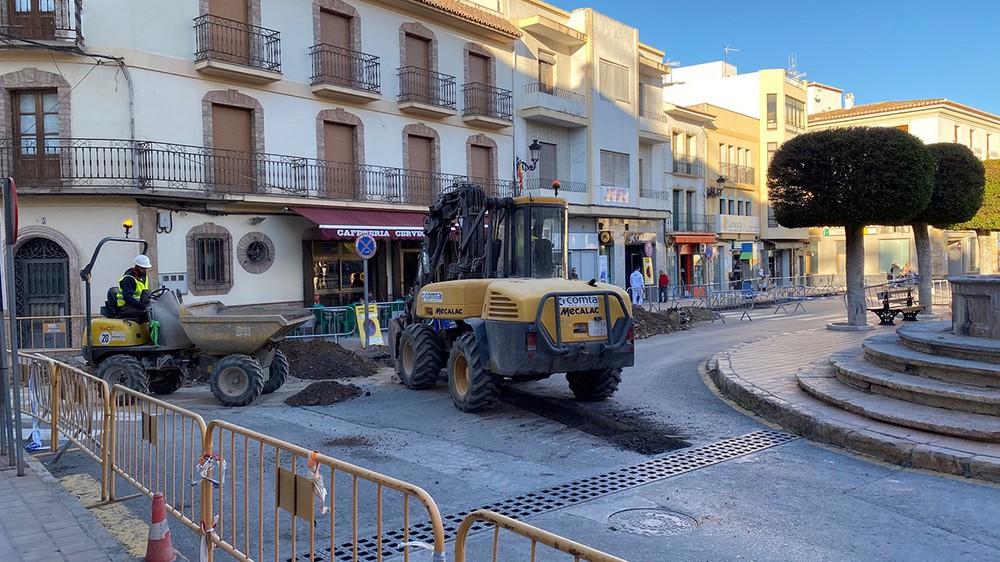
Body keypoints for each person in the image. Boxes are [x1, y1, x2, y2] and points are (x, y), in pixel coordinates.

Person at [116, 255, 152, 321]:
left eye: (146, 268)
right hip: (125, 307)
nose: (145, 270)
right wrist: (142, 306)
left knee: (154, 311)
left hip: (137, 306)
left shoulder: (144, 277)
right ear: (136, 267)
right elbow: (128, 298)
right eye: (143, 268)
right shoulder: (128, 279)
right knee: (147, 314)